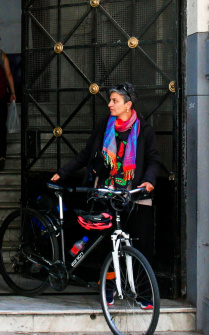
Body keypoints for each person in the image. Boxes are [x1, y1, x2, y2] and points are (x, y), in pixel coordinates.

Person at [50, 82, 161, 308]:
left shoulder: (144, 129)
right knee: (107, 246)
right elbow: (86, 154)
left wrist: (149, 181)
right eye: (110, 100)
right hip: (105, 194)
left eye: (115, 101)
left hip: (134, 195)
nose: (110, 104)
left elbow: (153, 159)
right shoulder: (105, 126)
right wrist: (62, 173)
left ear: (128, 105)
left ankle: (144, 293)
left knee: (141, 244)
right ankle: (108, 288)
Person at [0, 33, 16, 170]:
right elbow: (8, 75)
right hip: (0, 96)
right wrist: (13, 93)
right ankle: (1, 155)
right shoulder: (2, 56)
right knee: (1, 127)